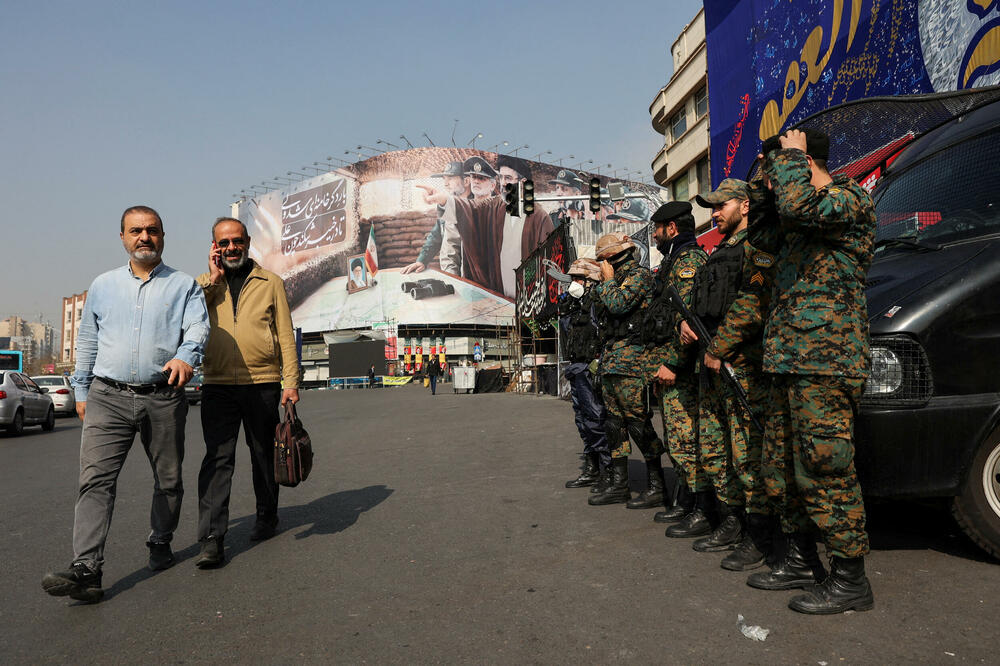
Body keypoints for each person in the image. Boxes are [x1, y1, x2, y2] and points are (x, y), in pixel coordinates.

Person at [42, 205, 209, 603]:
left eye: (152, 230)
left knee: (168, 481)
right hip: (107, 397)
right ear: (122, 238)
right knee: (95, 481)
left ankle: (160, 540)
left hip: (163, 397)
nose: (144, 237)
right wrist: (80, 391)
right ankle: (87, 569)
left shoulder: (184, 285)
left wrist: (186, 354)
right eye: (136, 231)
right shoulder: (102, 285)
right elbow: (87, 340)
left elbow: (200, 327)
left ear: (163, 236)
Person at [747, 129, 877, 615]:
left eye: (780, 166)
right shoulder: (793, 213)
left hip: (827, 360)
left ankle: (850, 579)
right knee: (780, 469)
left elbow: (800, 207)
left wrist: (791, 157)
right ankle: (800, 560)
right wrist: (765, 183)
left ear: (804, 163)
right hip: (787, 360)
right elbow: (761, 236)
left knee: (826, 466)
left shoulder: (848, 199)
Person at [193, 217, 300, 568]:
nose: (230, 248)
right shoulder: (202, 286)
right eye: (223, 243)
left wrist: (291, 382)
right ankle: (212, 539)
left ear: (247, 241)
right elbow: (190, 320)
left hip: (263, 382)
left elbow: (285, 334)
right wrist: (212, 280)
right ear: (214, 247)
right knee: (218, 460)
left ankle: (267, 515)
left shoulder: (271, 283)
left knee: (262, 454)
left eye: (236, 241)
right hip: (218, 384)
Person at [664, 180, 753, 549]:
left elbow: (751, 304)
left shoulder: (754, 246)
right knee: (715, 449)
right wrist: (688, 323)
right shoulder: (720, 249)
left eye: (721, 206)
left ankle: (756, 532)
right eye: (712, 207)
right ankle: (730, 520)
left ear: (745, 206)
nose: (714, 213)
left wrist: (720, 348)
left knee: (744, 453)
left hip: (739, 365)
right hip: (711, 364)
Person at [641, 201, 707, 527]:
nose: (654, 235)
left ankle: (700, 507)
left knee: (686, 438)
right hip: (672, 367)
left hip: (684, 370)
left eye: (657, 228)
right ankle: (687, 500)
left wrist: (671, 364)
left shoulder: (689, 261)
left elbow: (688, 321)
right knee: (677, 439)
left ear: (672, 229)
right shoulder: (673, 261)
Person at [588, 233, 665, 507]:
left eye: (602, 261)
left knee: (638, 423)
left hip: (632, 361)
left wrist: (607, 282)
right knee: (614, 425)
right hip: (611, 359)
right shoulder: (612, 280)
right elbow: (599, 311)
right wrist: (601, 284)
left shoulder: (639, 276)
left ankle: (658, 486)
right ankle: (620, 484)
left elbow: (618, 304)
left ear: (609, 259)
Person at [416, 157, 554, 298]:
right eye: (501, 177)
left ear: (522, 183)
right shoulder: (494, 206)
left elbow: (550, 261)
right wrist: (443, 199)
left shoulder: (539, 217)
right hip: (498, 293)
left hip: (527, 296)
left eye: (508, 178)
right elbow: (470, 209)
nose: (504, 183)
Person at [560, 258, 611, 490]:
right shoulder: (574, 305)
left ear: (591, 280)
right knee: (582, 420)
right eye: (572, 279)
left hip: (591, 368)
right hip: (576, 368)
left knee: (595, 419)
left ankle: (609, 472)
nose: (574, 284)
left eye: (579, 279)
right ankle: (592, 468)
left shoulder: (598, 302)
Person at [403, 161, 470, 275]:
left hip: (472, 277)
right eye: (444, 179)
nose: (446, 183)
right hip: (451, 273)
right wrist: (422, 260)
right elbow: (436, 235)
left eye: (451, 178)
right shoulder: (447, 206)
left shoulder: (478, 208)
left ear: (467, 181)